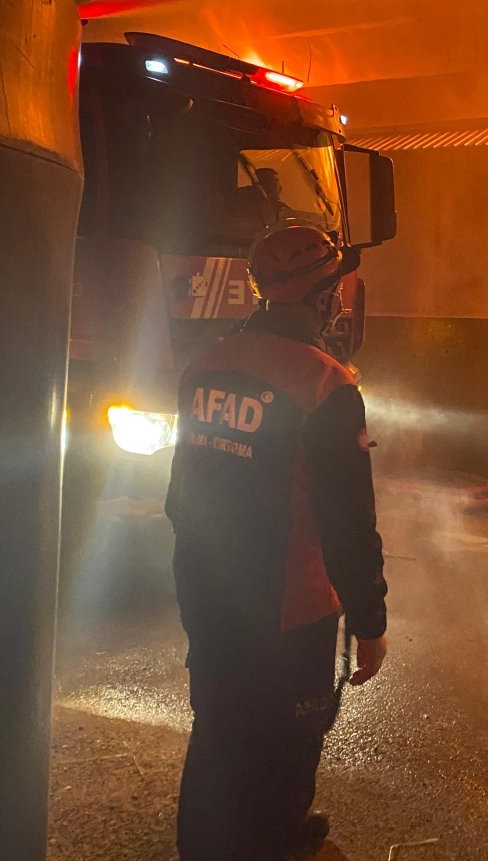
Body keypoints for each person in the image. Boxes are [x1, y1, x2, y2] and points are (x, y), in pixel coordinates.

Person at [166, 224, 388, 861]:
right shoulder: (326, 386)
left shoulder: (205, 365)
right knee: (287, 745)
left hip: (208, 593)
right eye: (333, 287)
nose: (340, 299)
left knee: (218, 730)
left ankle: (220, 843)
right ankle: (273, 840)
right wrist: (370, 621)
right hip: (288, 610)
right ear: (319, 298)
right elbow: (347, 523)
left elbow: (180, 495)